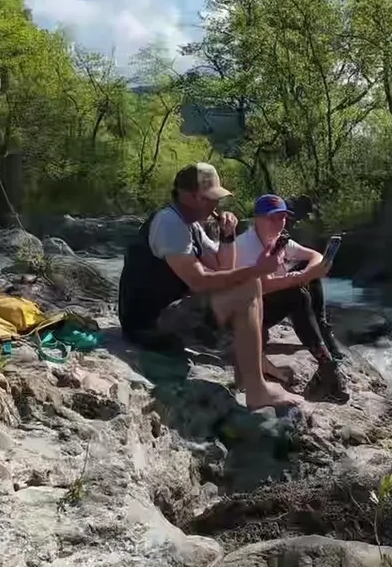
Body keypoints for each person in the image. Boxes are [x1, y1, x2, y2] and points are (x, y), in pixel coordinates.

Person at [118, 164, 303, 410]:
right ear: (189, 196)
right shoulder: (169, 223)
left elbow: (223, 267)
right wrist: (259, 269)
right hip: (147, 325)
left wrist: (228, 235)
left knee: (250, 284)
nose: (215, 204)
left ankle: (247, 378)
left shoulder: (191, 224)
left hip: (166, 314)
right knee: (249, 286)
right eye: (209, 198)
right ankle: (257, 391)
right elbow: (200, 281)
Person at [235, 194, 348, 403]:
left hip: (261, 305)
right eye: (272, 218)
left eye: (282, 217)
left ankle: (323, 341)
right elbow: (262, 286)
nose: (279, 223)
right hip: (244, 314)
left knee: (307, 276)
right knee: (296, 293)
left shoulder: (278, 240)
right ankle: (327, 366)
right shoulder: (246, 246)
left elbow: (314, 256)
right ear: (257, 219)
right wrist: (300, 278)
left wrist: (309, 272)